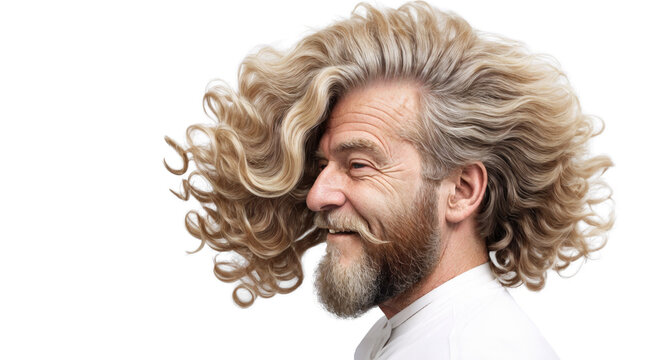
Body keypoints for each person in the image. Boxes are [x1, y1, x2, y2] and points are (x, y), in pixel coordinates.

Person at [165, 2, 613, 359]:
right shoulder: (415, 332)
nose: (319, 194)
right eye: (323, 166)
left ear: (461, 191)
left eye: (359, 164)